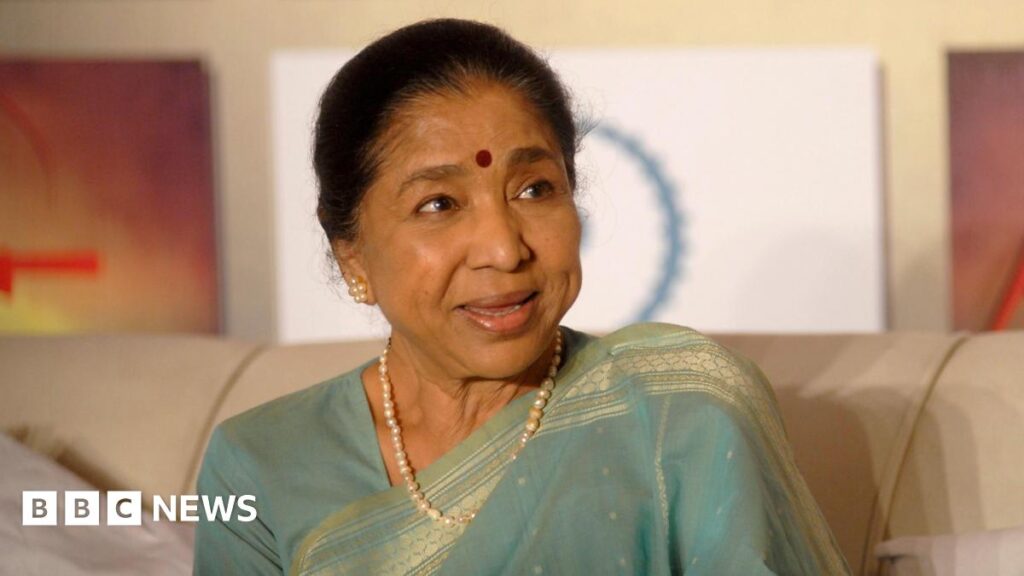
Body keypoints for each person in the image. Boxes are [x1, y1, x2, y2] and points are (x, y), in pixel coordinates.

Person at [193, 18, 851, 575]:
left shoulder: (683, 409)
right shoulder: (259, 462)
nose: (505, 249)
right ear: (353, 256)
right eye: (439, 203)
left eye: (535, 189)